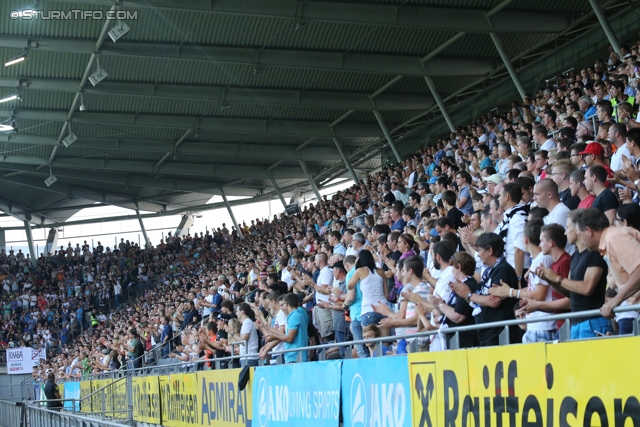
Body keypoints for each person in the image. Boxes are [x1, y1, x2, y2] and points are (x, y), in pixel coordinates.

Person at [258, 293, 309, 363]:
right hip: (293, 356)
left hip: (295, 357)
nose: (281, 307)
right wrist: (265, 347)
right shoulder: (295, 315)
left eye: (282, 304)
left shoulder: (294, 316)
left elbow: (289, 338)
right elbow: (286, 336)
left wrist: (274, 337)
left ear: (287, 304)